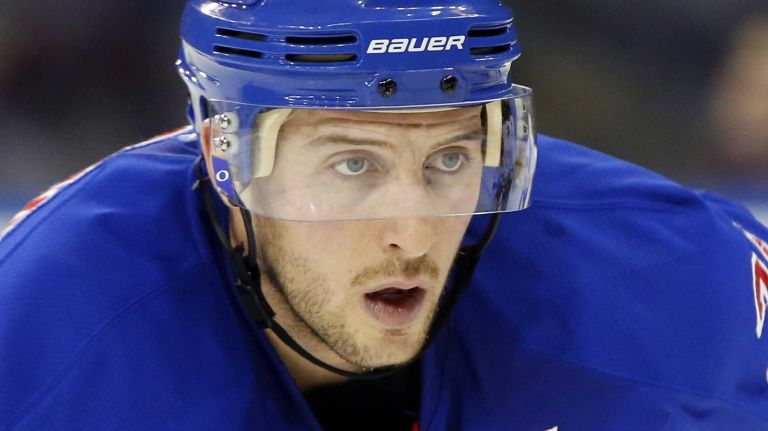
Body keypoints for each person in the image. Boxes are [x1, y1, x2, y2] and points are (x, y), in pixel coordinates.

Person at [1, 1, 767, 429]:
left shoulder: (672, 281)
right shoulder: (46, 339)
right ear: (224, 156)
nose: (411, 230)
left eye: (450, 160)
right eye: (352, 164)